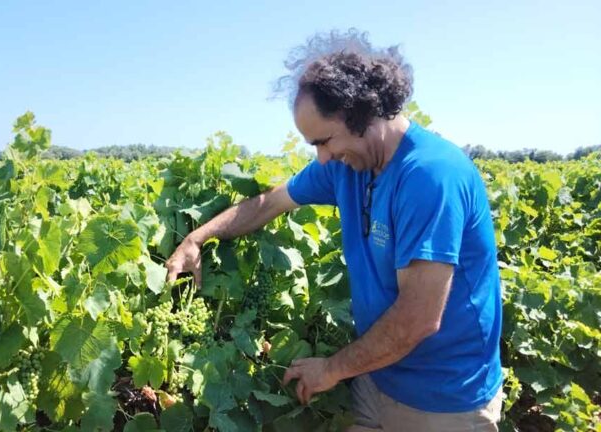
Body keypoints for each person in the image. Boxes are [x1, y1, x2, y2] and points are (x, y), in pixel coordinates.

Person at [165, 29, 503, 432]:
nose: (322, 158)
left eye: (324, 141)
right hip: (376, 374)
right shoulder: (346, 168)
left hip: (442, 401)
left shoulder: (430, 176)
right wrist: (197, 238)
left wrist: (330, 369)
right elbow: (269, 203)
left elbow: (418, 319)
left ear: (361, 114)